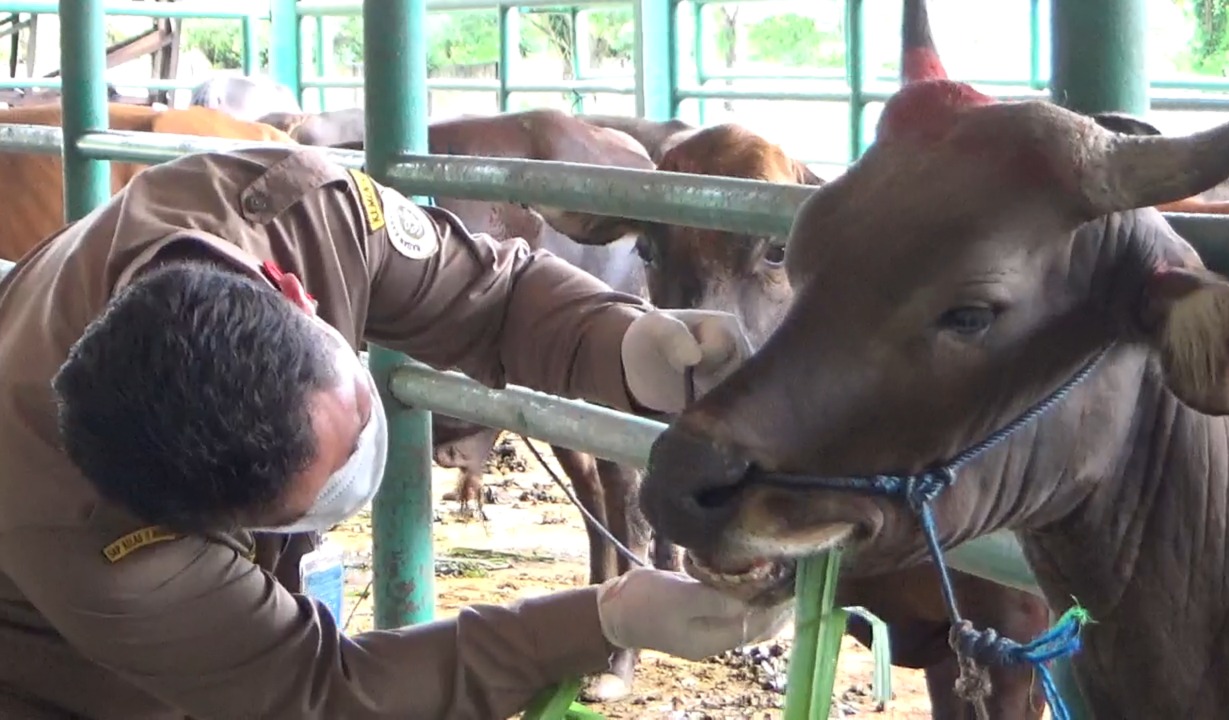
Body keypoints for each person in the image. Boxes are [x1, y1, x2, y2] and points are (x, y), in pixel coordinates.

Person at [0, 146, 793, 720]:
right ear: (199, 526)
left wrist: (620, 345)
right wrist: (602, 620)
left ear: (294, 295)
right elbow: (319, 692)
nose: (359, 479)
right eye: (311, 503)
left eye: (354, 422)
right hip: (70, 678)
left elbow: (490, 294)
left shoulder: (303, 212)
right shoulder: (92, 542)